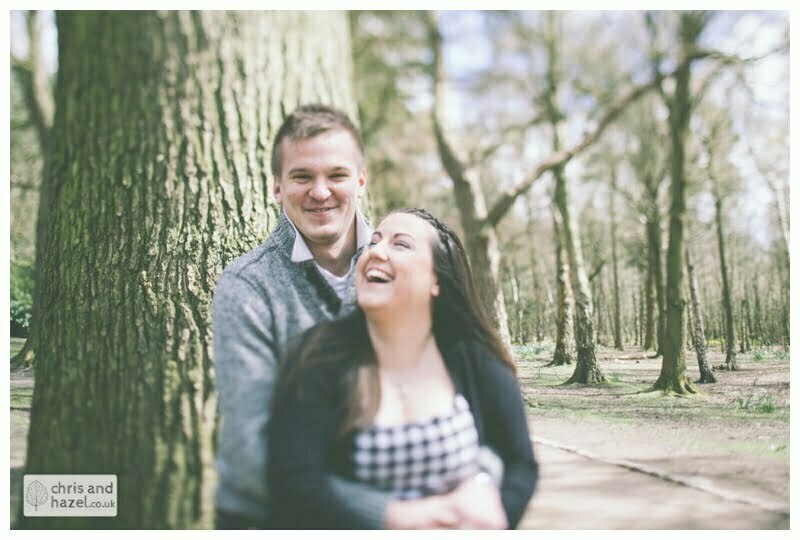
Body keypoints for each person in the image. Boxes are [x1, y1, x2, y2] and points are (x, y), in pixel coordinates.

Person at [214, 105, 507, 529]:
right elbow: (250, 453)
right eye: (301, 177)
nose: (320, 192)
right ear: (276, 187)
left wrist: (476, 485)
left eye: (336, 175)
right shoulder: (248, 288)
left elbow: (474, 407)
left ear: (360, 181)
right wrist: (390, 512)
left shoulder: (409, 265)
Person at [269, 208, 539, 529]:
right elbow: (293, 480)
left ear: (435, 280)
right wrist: (394, 515)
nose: (375, 252)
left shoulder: (473, 358)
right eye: (374, 242)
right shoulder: (319, 356)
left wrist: (490, 507)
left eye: (401, 245)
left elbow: (520, 464)